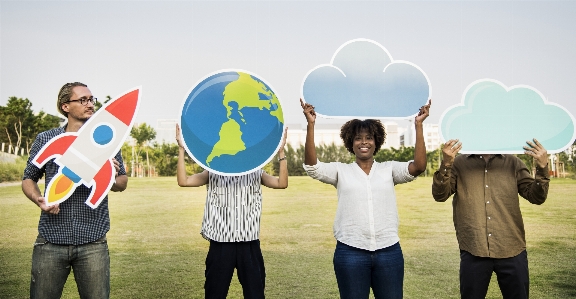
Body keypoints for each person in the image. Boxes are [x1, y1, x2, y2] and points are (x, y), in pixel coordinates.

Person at [301, 98, 431, 299]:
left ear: (376, 141)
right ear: (350, 143)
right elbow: (312, 167)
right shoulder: (340, 171)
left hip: (389, 252)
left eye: (369, 137)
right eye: (358, 138)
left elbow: (418, 167)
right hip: (350, 251)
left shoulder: (389, 169)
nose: (364, 142)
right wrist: (311, 125)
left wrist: (418, 125)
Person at [22, 82, 128, 299]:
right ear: (65, 107)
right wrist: (38, 199)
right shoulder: (47, 138)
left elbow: (122, 183)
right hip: (51, 240)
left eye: (91, 99)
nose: (90, 104)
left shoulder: (108, 140)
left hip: (93, 241)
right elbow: (28, 178)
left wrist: (108, 176)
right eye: (82, 100)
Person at [175, 123, 288, 299]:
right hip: (220, 245)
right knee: (214, 294)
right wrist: (182, 149)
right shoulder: (213, 172)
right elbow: (184, 181)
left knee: (255, 294)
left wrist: (281, 153)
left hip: (249, 245)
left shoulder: (256, 172)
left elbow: (281, 184)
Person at [431, 138, 549, 299]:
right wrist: (446, 164)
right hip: (473, 249)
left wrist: (542, 168)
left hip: (512, 249)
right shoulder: (458, 163)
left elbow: (537, 197)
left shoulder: (514, 163)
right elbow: (439, 195)